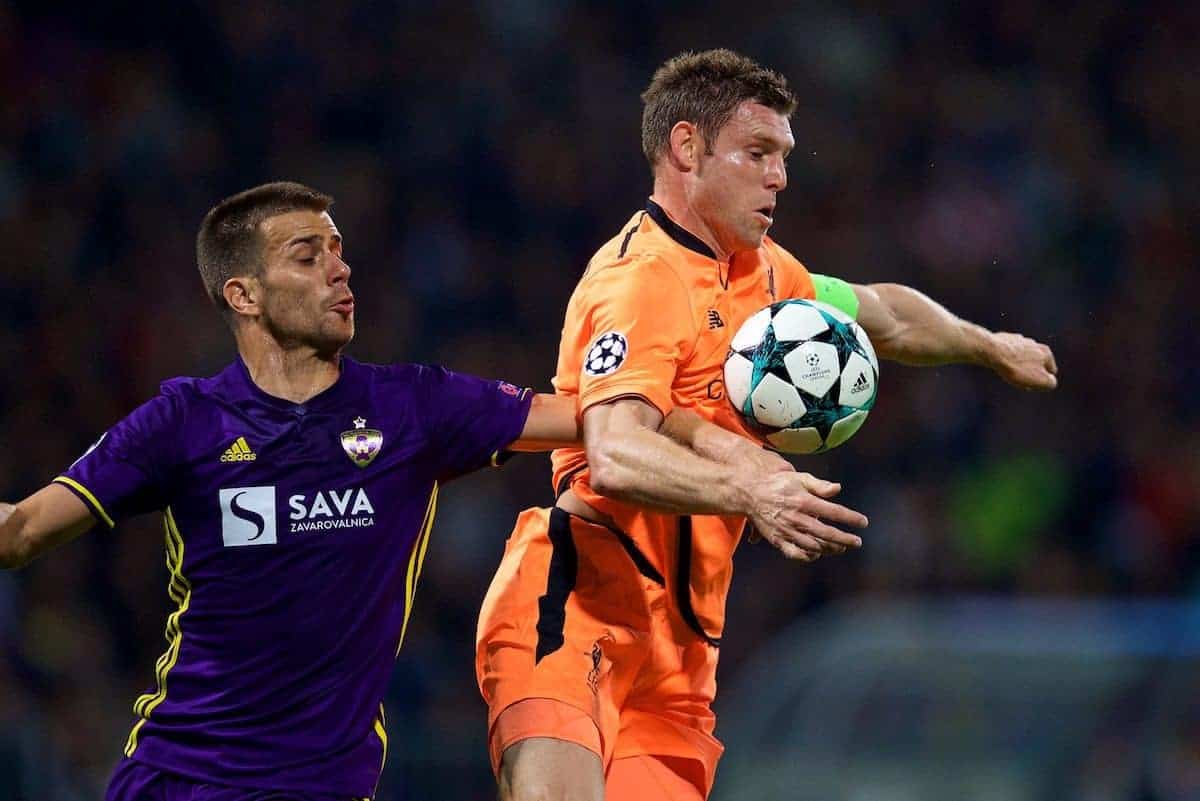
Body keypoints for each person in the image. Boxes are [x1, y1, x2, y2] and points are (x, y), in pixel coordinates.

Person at [476, 49, 1059, 801]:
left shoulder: (766, 274)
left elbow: (882, 314)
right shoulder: (639, 281)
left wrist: (988, 345)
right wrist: (748, 487)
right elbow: (615, 451)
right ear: (686, 149)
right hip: (576, 605)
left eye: (783, 156)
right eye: (757, 153)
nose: (780, 176)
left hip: (681, 656)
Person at [0, 181, 601, 800]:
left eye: (337, 251)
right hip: (177, 777)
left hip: (322, 787)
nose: (340, 270)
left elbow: (600, 419)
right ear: (244, 294)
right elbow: (17, 531)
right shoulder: (185, 421)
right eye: (307, 256)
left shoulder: (413, 406)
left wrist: (689, 394)